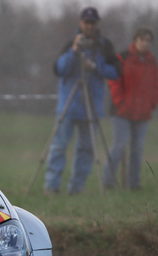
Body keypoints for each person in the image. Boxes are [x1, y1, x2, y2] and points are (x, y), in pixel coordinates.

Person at [44, 6, 120, 195]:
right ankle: (51, 186)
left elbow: (116, 72)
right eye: (86, 22)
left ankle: (76, 188)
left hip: (91, 106)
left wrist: (94, 67)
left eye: (92, 22)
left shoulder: (104, 46)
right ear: (81, 22)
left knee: (86, 150)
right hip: (68, 106)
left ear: (98, 23)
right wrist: (74, 50)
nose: (89, 26)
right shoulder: (72, 43)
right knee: (59, 147)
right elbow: (60, 69)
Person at [102, 26, 158, 190]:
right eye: (142, 40)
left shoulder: (152, 62)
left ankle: (134, 184)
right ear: (135, 41)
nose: (145, 43)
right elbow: (114, 81)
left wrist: (152, 103)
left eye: (148, 40)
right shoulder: (122, 58)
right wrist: (121, 102)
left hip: (142, 113)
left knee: (137, 150)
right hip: (121, 112)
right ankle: (108, 181)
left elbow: (155, 85)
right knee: (119, 145)